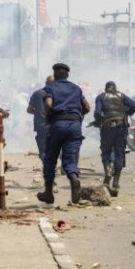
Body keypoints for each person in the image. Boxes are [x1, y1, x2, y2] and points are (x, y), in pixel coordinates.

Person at [37, 63, 90, 206]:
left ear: (55, 75)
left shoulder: (51, 87)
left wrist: (49, 117)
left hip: (58, 124)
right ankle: (73, 178)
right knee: (70, 157)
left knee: (50, 158)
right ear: (67, 75)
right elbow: (87, 107)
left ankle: (48, 193)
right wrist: (78, 116)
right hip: (75, 125)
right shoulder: (76, 88)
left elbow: (48, 104)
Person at [94, 81, 135, 197]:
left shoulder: (101, 97)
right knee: (119, 153)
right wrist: (126, 113)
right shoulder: (121, 95)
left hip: (107, 127)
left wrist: (98, 122)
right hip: (121, 126)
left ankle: (108, 171)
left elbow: (97, 112)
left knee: (106, 151)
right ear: (115, 88)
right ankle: (116, 182)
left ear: (105, 89)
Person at [27, 75, 54, 161]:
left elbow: (29, 109)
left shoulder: (36, 93)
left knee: (43, 150)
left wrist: (38, 112)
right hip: (54, 125)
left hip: (40, 125)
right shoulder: (57, 93)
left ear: (46, 83)